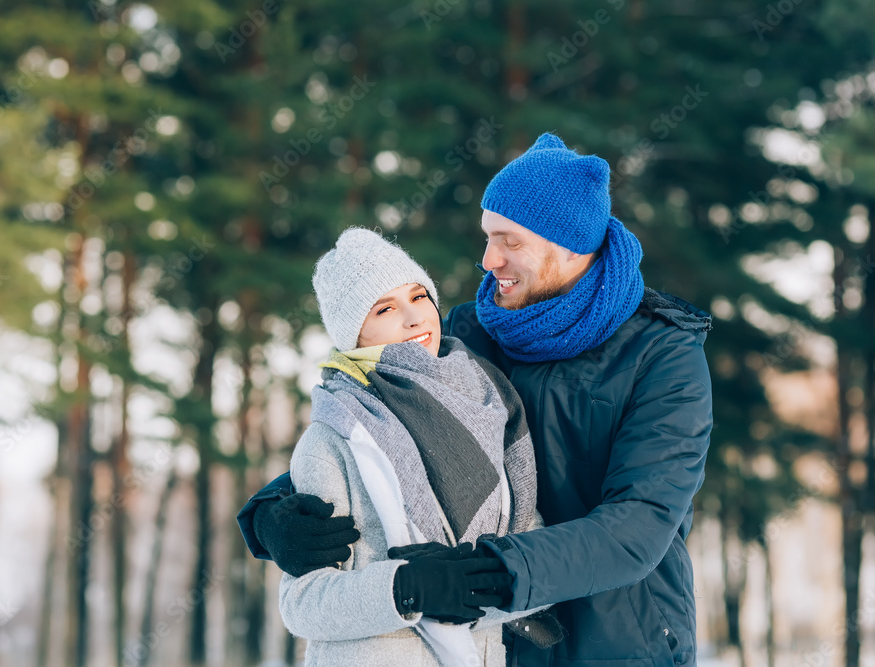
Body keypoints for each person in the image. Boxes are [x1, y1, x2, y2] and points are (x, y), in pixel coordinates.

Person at [239, 133, 713, 666]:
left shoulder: (663, 356)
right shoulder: (472, 334)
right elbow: (378, 436)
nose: (488, 259)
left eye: (510, 241)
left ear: (570, 243)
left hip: (621, 642)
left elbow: (637, 526)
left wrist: (484, 572)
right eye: (487, 237)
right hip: (491, 644)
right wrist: (270, 513)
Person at [274, 227, 562, 666]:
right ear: (355, 335)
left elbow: (530, 548)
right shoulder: (335, 436)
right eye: (385, 309)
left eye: (419, 297)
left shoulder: (490, 404)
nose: (415, 319)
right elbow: (302, 603)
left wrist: (490, 584)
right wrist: (408, 588)